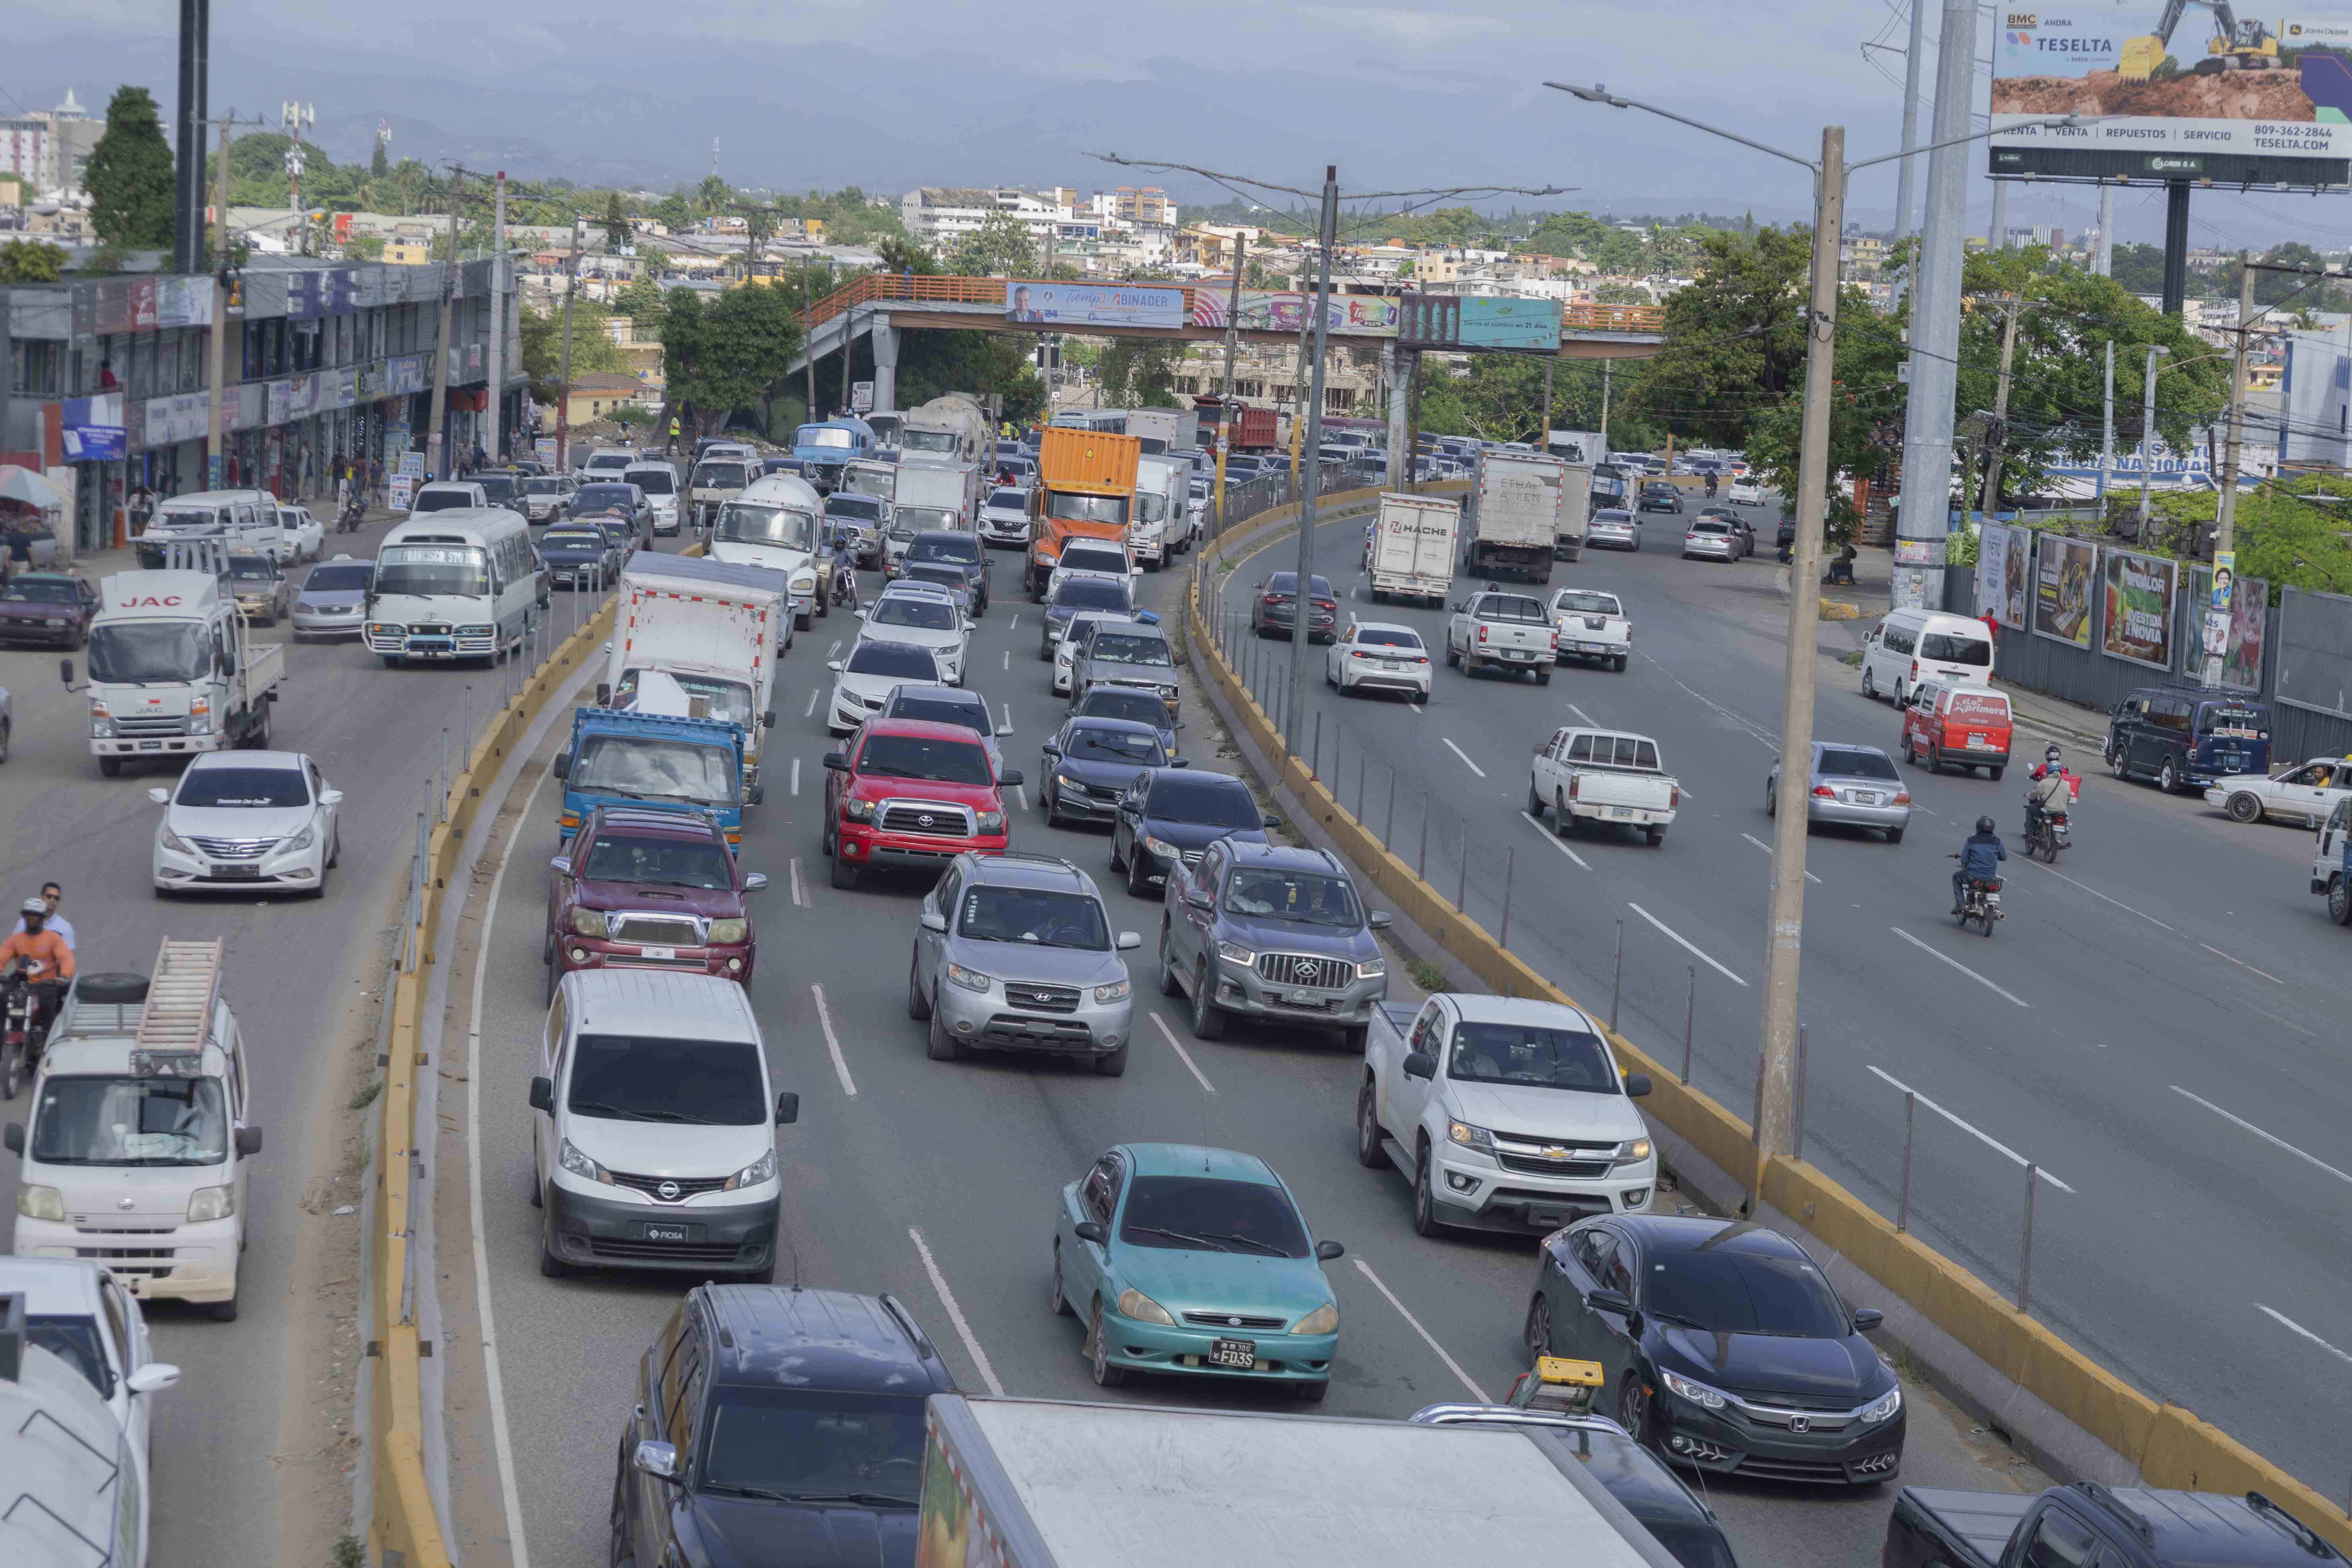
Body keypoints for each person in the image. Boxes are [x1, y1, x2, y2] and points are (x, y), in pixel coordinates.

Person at [0, 895, 76, 1047]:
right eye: (28, 914)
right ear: (24, 916)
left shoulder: (53, 938)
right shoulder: (16, 939)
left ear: (42, 917)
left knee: (48, 1005)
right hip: (21, 985)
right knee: (2, 1000)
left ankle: (50, 1044)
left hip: (46, 984)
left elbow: (67, 958)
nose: (31, 918)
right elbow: (2, 956)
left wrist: (64, 975)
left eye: (35, 915)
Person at [1953, 815, 2006, 915]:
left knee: (1956, 877)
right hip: (1991, 877)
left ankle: (1960, 904)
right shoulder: (1997, 841)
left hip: (1973, 876)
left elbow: (1964, 860)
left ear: (1978, 827)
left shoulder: (1971, 840)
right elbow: (2004, 857)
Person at [10, 882, 74, 951]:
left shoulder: (65, 928)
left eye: (56, 898)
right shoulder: (25, 921)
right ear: (41, 897)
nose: (53, 900)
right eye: (49, 896)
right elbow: (13, 945)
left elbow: (68, 956)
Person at [2025, 752, 2072, 835]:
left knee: (2029, 809)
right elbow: (2069, 797)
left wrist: (2027, 795)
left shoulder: (2044, 783)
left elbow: (2034, 795)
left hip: (2047, 811)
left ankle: (2029, 833)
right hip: (2062, 811)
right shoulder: (2066, 784)